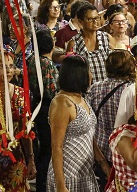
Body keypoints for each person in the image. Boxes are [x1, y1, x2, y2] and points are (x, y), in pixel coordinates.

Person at [0, 49, 35, 191]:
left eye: (11, 66)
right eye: (3, 66)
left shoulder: (20, 93)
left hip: (15, 159)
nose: (9, 70)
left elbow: (25, 130)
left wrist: (31, 159)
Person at [47, 55, 98, 192]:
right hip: (67, 176)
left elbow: (90, 135)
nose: (91, 75)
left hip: (85, 173)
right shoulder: (62, 103)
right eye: (89, 71)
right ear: (78, 74)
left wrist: (103, 164)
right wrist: (61, 186)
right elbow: (56, 146)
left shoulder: (82, 98)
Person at [86, 50, 135, 187]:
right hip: (125, 152)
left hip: (100, 152)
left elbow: (88, 121)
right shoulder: (133, 90)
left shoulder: (95, 88)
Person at [27, 30, 58, 191]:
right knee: (47, 148)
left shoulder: (31, 59)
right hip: (46, 107)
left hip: (35, 104)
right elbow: (51, 90)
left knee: (42, 147)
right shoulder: (47, 63)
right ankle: (43, 184)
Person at [69, 2, 111, 84]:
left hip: (106, 88)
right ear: (81, 22)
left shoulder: (106, 38)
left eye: (97, 18)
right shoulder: (75, 43)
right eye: (90, 19)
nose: (95, 21)